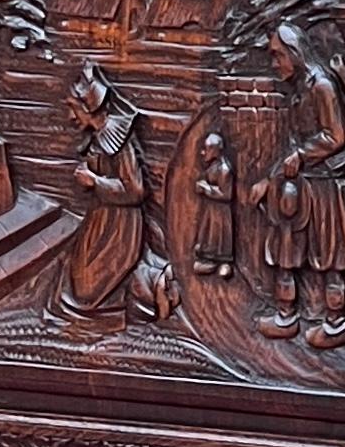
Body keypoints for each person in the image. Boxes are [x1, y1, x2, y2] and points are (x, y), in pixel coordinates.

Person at [249, 21, 345, 347]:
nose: (274, 63)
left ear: (295, 53)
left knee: (330, 255)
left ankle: (335, 323)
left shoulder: (321, 85)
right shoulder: (298, 90)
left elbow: (336, 135)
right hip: (300, 184)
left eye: (278, 55)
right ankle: (286, 316)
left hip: (323, 183)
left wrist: (302, 155)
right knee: (287, 249)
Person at [56, 61, 176, 322]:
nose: (70, 117)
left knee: (87, 291)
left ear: (89, 107)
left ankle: (153, 282)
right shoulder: (100, 137)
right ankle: (149, 280)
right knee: (77, 280)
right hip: (103, 220)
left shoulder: (118, 142)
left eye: (73, 109)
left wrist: (94, 181)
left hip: (120, 227)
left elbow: (134, 191)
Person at [192, 125, 236, 276]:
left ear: (216, 151)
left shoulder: (224, 170)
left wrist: (206, 189)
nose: (203, 152)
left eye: (207, 149)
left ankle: (224, 262)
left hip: (221, 212)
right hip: (211, 210)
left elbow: (226, 194)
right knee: (208, 234)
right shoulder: (213, 167)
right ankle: (208, 259)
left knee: (219, 236)